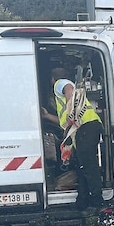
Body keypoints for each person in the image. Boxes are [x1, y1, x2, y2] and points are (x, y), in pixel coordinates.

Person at [45, 71, 104, 209]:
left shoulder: (60, 83)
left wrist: (71, 113)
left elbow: (69, 90)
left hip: (86, 127)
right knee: (81, 166)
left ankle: (97, 200)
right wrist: (47, 116)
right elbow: (62, 121)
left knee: (88, 165)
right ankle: (83, 201)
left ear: (52, 79)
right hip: (87, 128)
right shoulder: (65, 93)